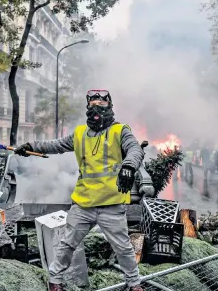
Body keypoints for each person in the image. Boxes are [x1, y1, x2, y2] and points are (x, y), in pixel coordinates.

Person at [14, 90, 144, 291]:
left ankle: (134, 284)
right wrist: (31, 146)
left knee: (123, 248)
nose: (96, 109)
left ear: (109, 107)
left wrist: (128, 166)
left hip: (111, 204)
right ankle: (55, 281)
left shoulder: (121, 131)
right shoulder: (80, 133)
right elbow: (55, 145)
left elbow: (135, 149)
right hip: (83, 204)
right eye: (92, 105)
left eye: (101, 104)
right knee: (67, 244)